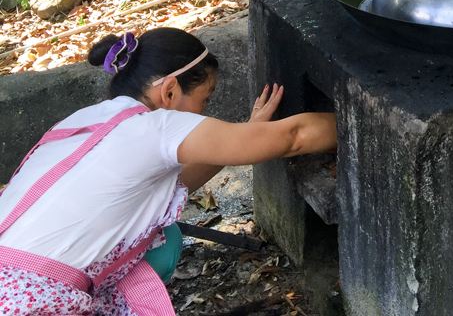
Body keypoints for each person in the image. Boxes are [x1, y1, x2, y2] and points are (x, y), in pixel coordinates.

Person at [0, 27, 336, 315]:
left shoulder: (83, 121)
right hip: (33, 297)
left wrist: (250, 132)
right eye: (205, 99)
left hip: (13, 278)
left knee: (164, 231)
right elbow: (294, 138)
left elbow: (162, 194)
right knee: (167, 237)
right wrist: (362, 122)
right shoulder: (157, 127)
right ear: (170, 90)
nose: (206, 109)